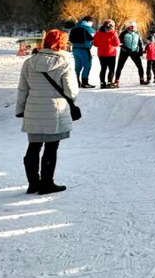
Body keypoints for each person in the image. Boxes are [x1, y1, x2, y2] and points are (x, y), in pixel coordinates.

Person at [14, 28, 77, 195]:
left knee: (33, 147)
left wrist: (20, 109)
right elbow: (71, 90)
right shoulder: (65, 61)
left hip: (33, 109)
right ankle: (47, 183)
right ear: (62, 43)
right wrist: (71, 101)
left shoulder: (29, 62)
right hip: (55, 110)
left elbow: (22, 89)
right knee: (51, 148)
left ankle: (33, 183)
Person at [114, 21, 146, 87]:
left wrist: (141, 50)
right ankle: (116, 80)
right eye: (131, 26)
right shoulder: (124, 33)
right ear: (128, 27)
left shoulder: (138, 33)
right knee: (120, 66)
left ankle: (142, 79)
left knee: (140, 66)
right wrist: (125, 48)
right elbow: (119, 43)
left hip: (134, 52)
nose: (133, 28)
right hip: (124, 52)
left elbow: (140, 43)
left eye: (134, 26)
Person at [68, 16, 96, 88]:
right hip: (84, 49)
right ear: (88, 21)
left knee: (77, 66)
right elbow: (92, 39)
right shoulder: (87, 28)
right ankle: (85, 82)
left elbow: (70, 39)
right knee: (87, 66)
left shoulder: (74, 28)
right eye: (92, 22)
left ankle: (76, 81)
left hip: (75, 49)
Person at [94, 20, 120, 88]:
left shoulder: (98, 33)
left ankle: (102, 83)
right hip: (111, 53)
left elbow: (95, 43)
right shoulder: (113, 33)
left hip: (101, 54)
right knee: (111, 69)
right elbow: (117, 43)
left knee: (103, 68)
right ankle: (109, 82)